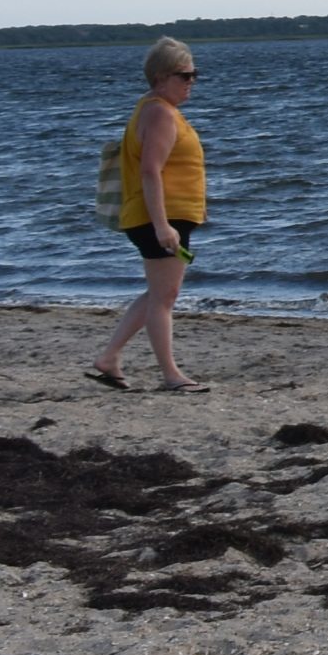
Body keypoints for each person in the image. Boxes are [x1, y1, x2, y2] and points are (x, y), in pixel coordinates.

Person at [90, 38, 210, 391]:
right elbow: (150, 171)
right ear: (160, 76)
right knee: (164, 297)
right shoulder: (157, 111)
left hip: (165, 216)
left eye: (194, 75)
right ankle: (171, 375)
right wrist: (162, 226)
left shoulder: (159, 108)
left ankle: (109, 358)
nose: (191, 82)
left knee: (160, 293)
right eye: (184, 75)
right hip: (159, 218)